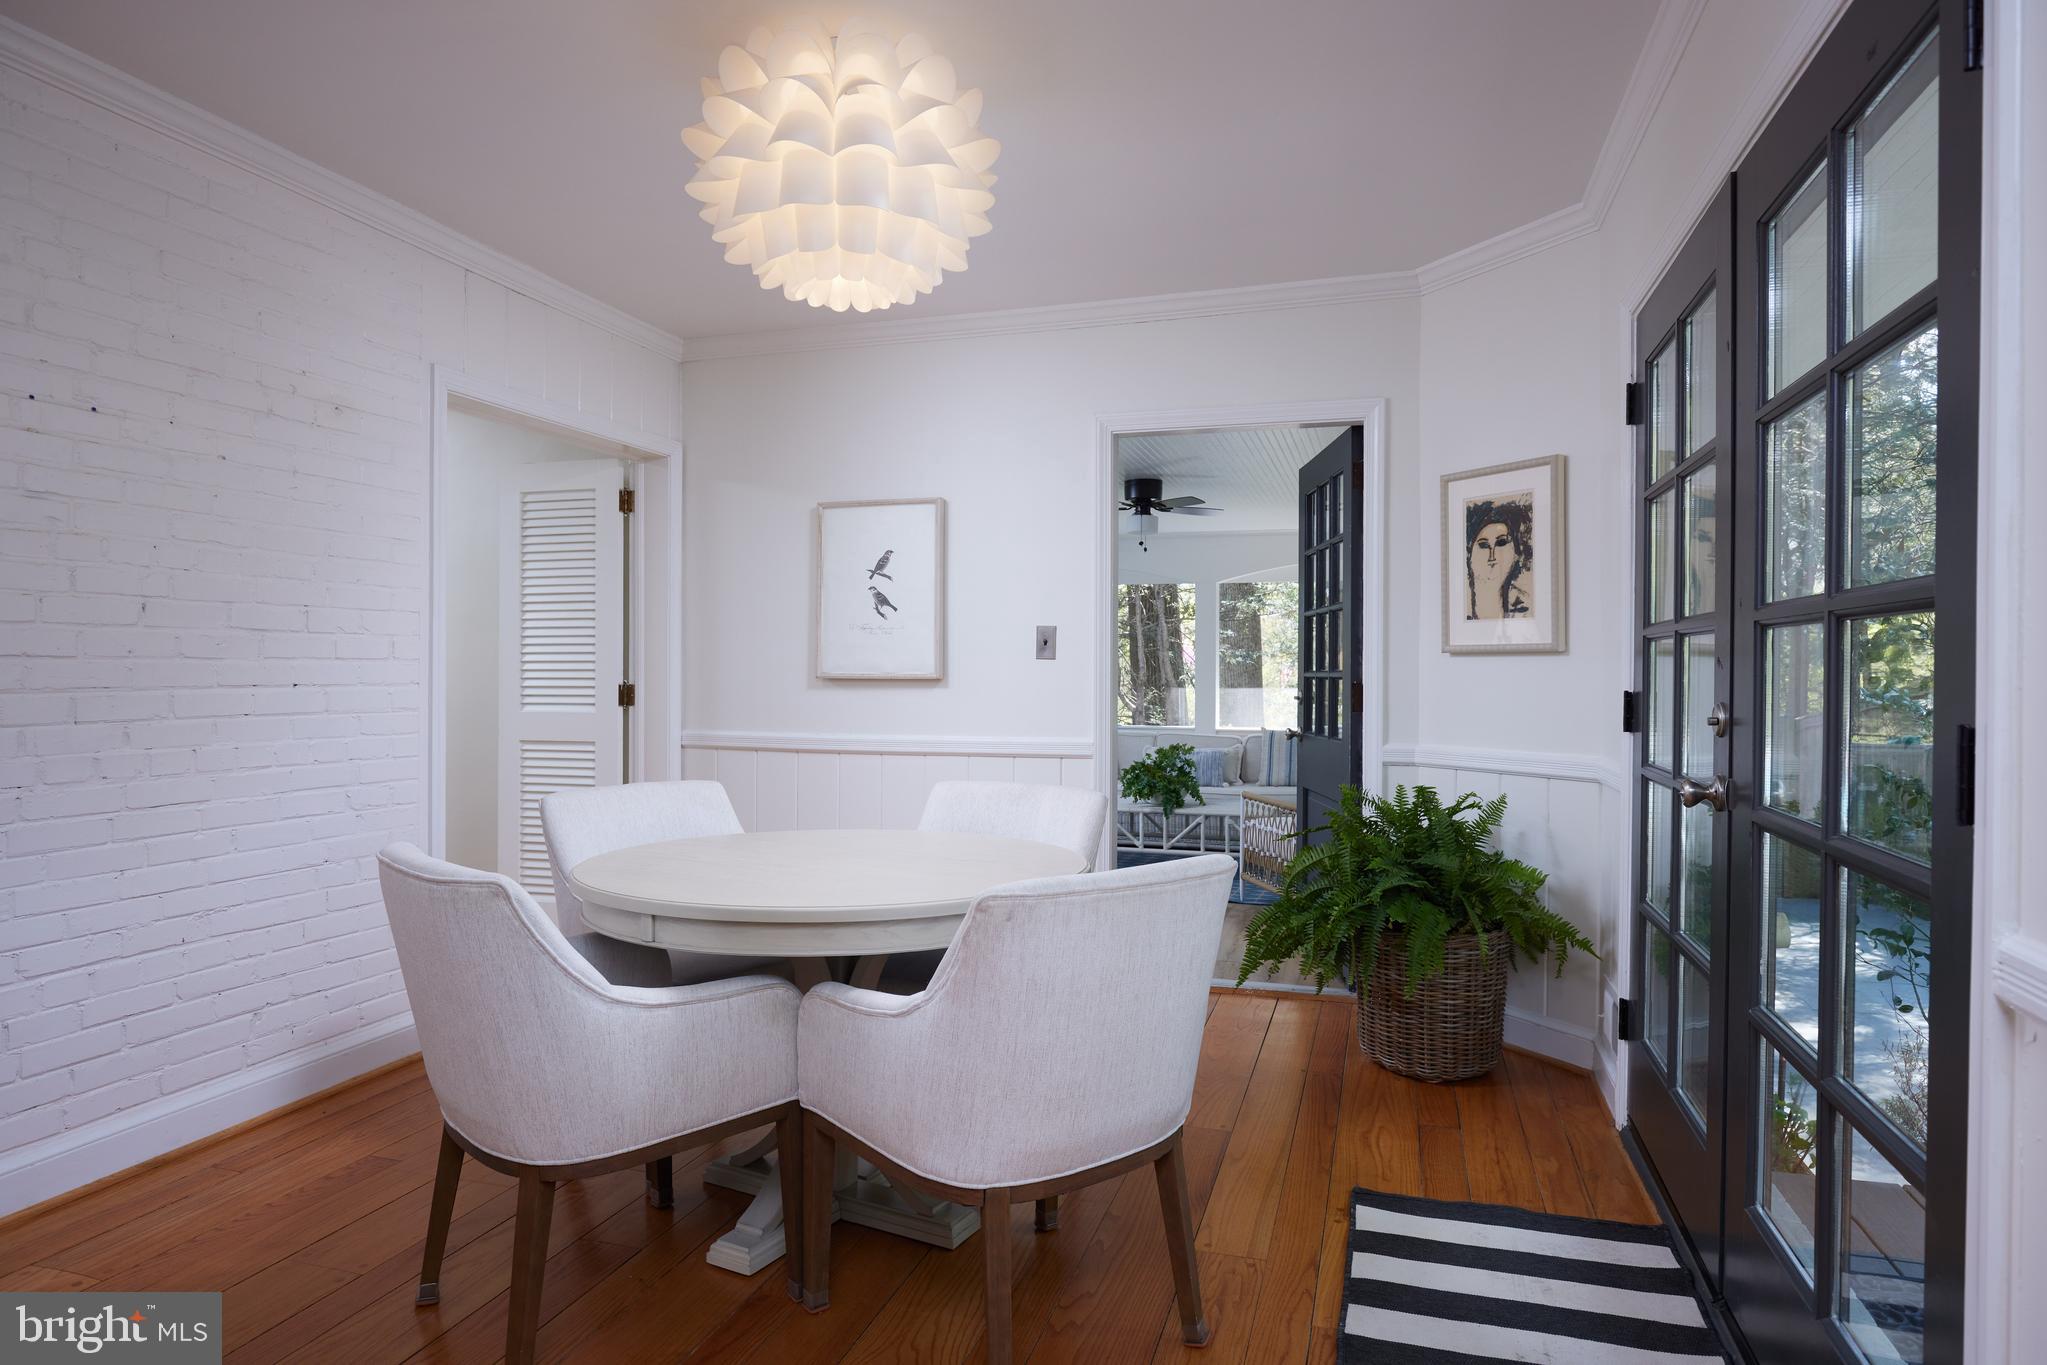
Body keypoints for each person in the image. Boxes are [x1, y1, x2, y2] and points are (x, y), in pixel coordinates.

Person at [1464, 497, 1534, 620]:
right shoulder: (1459, 612)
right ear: (1469, 556)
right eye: (1483, 545)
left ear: (1516, 555)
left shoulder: (1526, 613)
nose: (1492, 557)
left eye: (1501, 543)